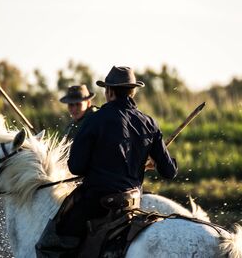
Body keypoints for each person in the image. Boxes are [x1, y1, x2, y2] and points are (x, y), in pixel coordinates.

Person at [35, 66, 177, 258]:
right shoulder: (149, 122)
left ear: (108, 91)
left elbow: (76, 167)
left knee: (48, 246)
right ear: (132, 91)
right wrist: (154, 161)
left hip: (97, 203)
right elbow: (170, 171)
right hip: (132, 202)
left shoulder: (95, 120)